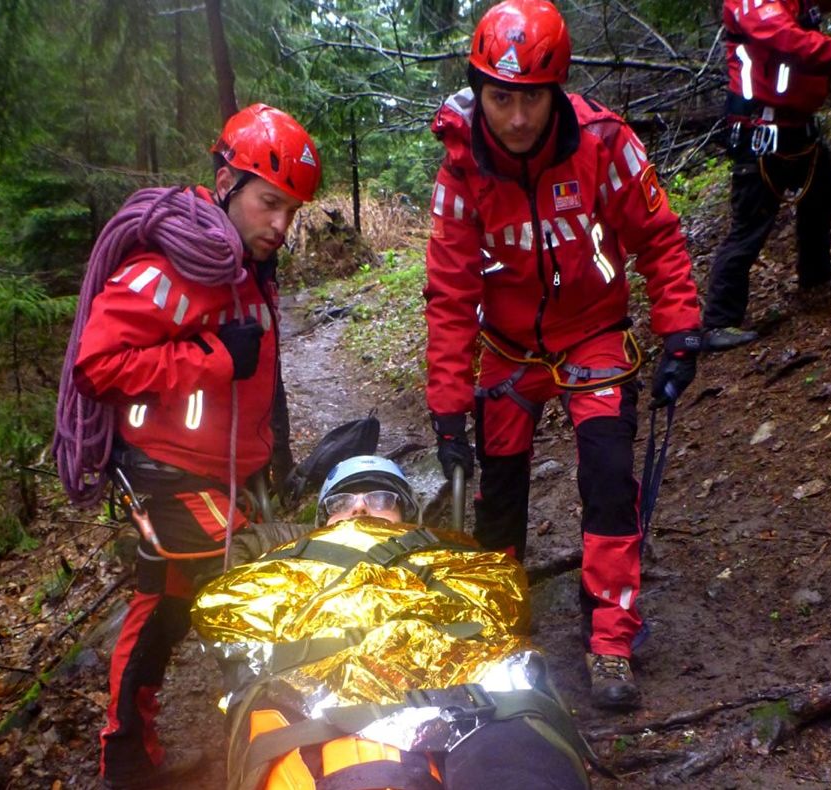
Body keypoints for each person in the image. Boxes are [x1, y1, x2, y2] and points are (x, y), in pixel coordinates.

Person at [423, 0, 702, 711]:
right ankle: (498, 626)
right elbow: (450, 294)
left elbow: (658, 237)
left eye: (533, 98)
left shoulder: (604, 143)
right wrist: (447, 410)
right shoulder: (461, 169)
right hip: (507, 349)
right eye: (501, 99)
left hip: (593, 333)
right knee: (499, 493)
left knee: (608, 478)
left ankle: (610, 638)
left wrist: (680, 329)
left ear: (557, 91)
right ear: (479, 92)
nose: (518, 118)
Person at [57, 103, 321, 789]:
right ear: (227, 182)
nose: (280, 225)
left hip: (218, 472)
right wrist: (211, 358)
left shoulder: (249, 265)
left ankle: (128, 758)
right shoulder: (175, 265)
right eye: (269, 203)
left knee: (163, 611)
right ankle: (283, 762)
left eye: (291, 211)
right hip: (173, 476)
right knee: (248, 604)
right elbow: (96, 364)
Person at [193, 455, 600, 789]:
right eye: (341, 502)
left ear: (407, 515)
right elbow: (228, 615)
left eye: (380, 498)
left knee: (521, 772)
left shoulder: (448, 554)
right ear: (323, 523)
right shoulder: (287, 562)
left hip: (469, 684)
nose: (359, 508)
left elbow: (502, 600)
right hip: (330, 695)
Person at [702, 0, 831, 350]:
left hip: (796, 125)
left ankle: (816, 273)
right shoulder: (752, 3)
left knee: (823, 191)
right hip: (760, 131)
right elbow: (790, 42)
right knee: (751, 224)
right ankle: (718, 322)